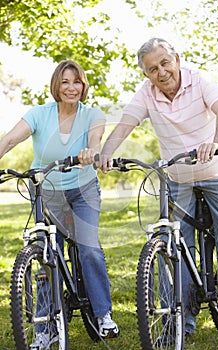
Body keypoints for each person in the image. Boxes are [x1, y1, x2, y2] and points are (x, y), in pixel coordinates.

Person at [100, 38, 218, 337]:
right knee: (172, 249)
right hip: (177, 178)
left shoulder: (199, 80)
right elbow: (125, 124)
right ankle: (177, 324)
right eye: (152, 69)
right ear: (146, 75)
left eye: (164, 63)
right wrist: (107, 151)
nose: (161, 72)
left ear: (177, 58)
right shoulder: (147, 94)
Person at [0, 60, 119, 348]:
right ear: (56, 85)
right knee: (44, 257)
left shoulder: (93, 114)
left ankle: (104, 314)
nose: (71, 87)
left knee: (89, 248)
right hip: (46, 190)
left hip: (83, 191)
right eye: (65, 82)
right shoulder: (39, 114)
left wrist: (91, 151)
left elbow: (96, 137)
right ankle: (44, 327)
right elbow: (9, 140)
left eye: (76, 81)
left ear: (83, 86)